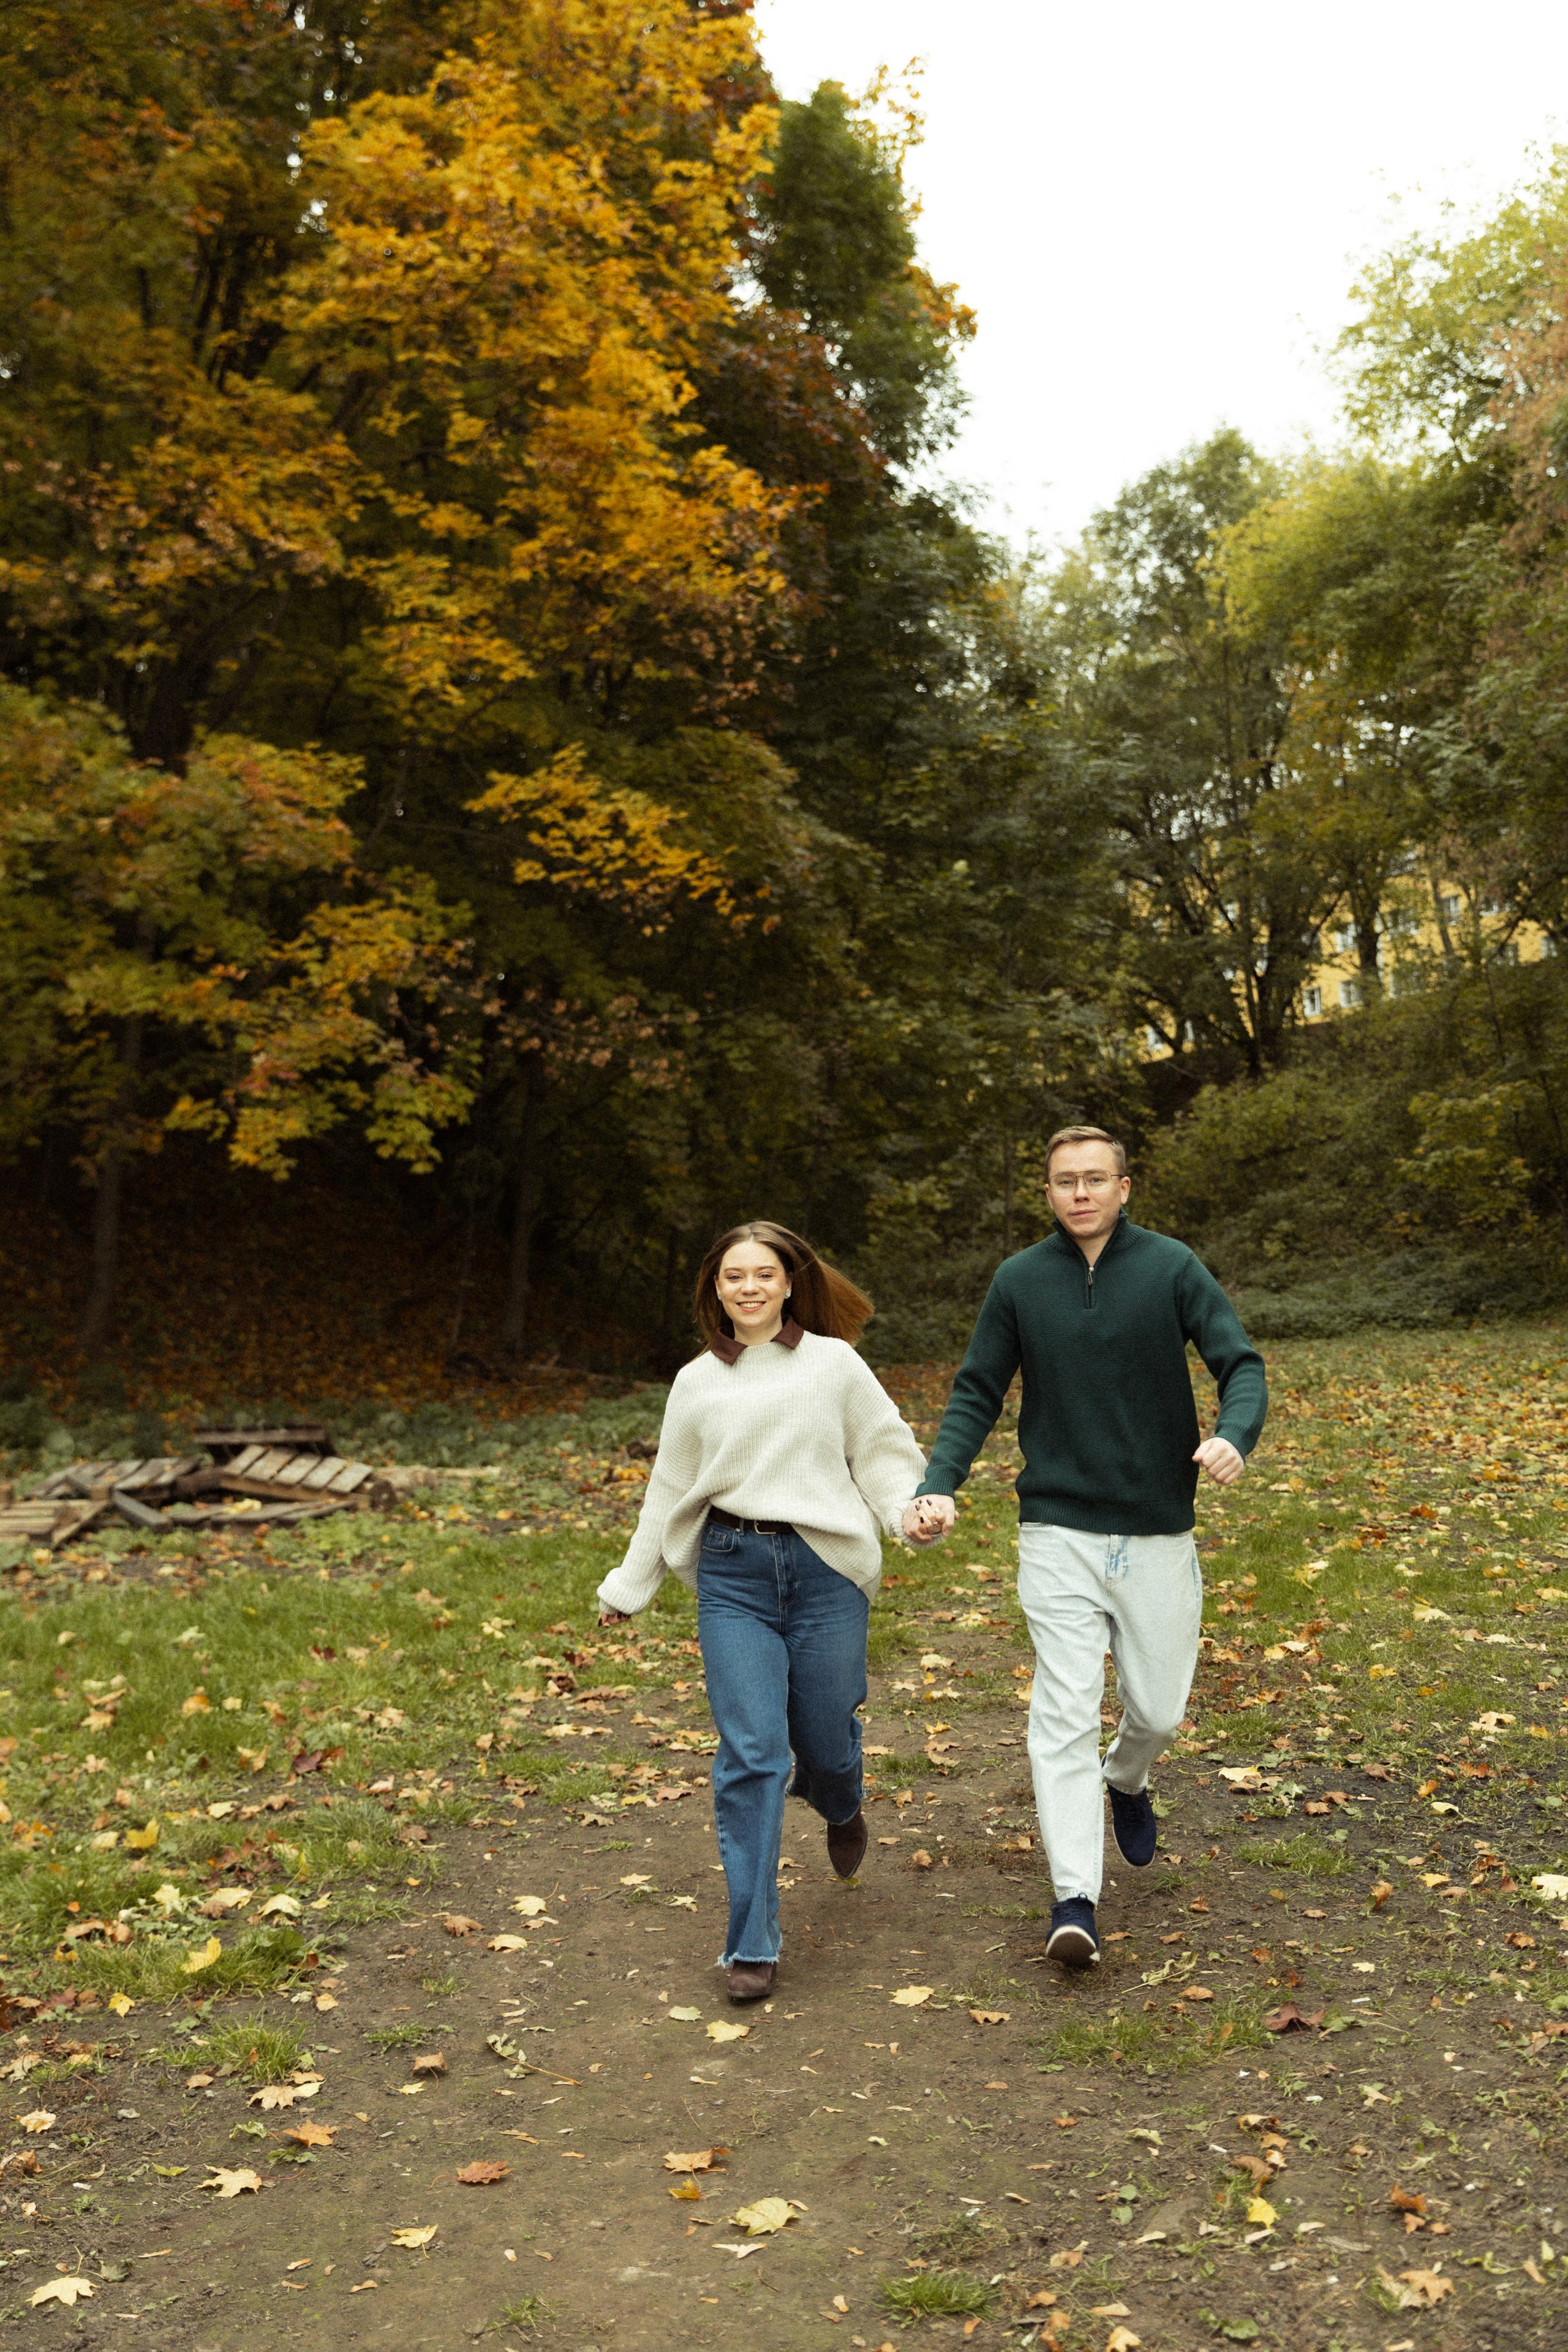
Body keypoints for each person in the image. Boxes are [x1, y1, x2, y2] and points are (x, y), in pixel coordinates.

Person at [904, 1126, 1267, 1970]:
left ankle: (1129, 1777)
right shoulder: (1020, 1282)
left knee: (1161, 1710)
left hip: (1155, 1528)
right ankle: (1075, 1898)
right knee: (1063, 1711)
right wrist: (940, 1481)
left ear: (1124, 1187)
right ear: (1048, 1192)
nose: (1080, 1194)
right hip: (1056, 1528)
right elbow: (977, 1390)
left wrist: (1235, 1436)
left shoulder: (1171, 1267)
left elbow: (1238, 1363)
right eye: (1065, 1181)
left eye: (1095, 1180)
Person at [597, 1222, 929, 2003]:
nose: (748, 1287)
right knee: (752, 1753)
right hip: (732, 1575)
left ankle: (840, 1800)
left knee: (825, 1737)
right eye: (732, 1276)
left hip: (825, 1571)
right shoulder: (695, 1382)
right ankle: (751, 1943)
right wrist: (628, 1586)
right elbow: (667, 1491)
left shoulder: (833, 1364)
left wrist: (907, 1512)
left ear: (788, 1283)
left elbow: (881, 1450)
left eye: (764, 1274)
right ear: (715, 1288)